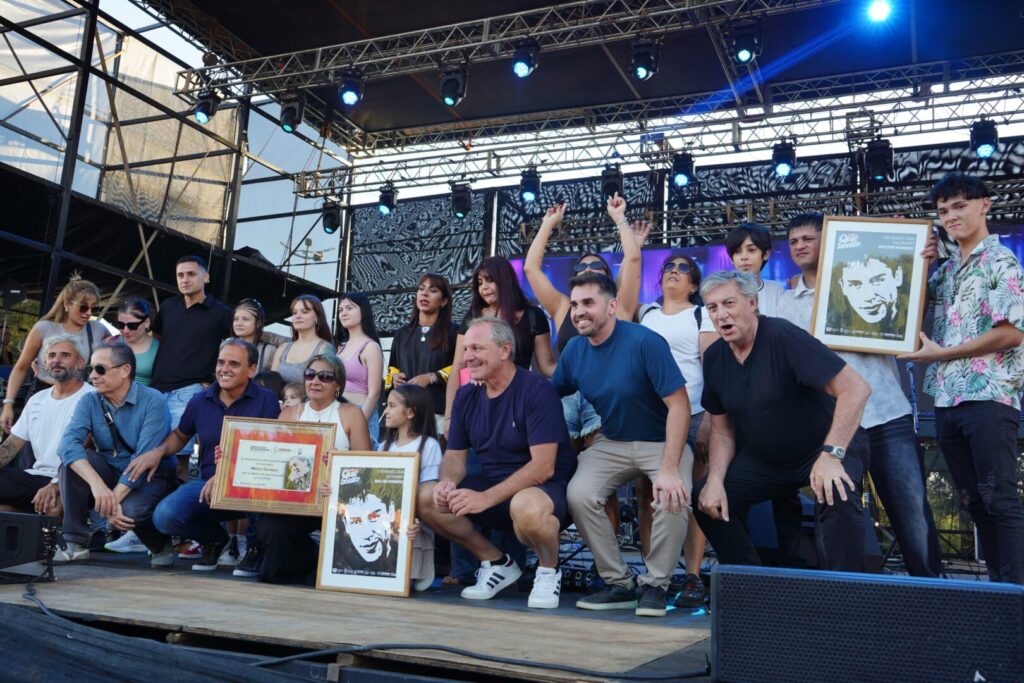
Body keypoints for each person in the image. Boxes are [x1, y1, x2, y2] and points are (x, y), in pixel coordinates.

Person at [778, 212, 942, 577]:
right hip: (832, 424)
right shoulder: (786, 302)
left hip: (887, 413)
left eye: (808, 238)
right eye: (793, 241)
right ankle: (845, 596)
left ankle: (936, 595)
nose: (800, 246)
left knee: (912, 513)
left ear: (831, 240)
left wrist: (916, 263)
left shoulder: (865, 281)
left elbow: (910, 323)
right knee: (835, 510)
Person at [694, 271, 872, 573]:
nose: (721, 314)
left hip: (823, 448)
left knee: (836, 491)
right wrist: (714, 481)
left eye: (729, 303)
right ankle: (749, 586)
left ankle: (848, 598)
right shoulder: (714, 358)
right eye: (712, 307)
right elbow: (722, 432)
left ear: (752, 303)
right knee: (707, 501)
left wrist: (831, 455)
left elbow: (856, 389)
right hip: (768, 461)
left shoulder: (782, 336)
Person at [899, 173, 1024, 584]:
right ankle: (997, 591)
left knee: (1000, 501)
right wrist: (921, 260)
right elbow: (910, 310)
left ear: (985, 204)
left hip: (989, 397)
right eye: (943, 210)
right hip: (948, 401)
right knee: (973, 503)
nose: (951, 216)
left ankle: (1014, 597)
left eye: (959, 205)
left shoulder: (1001, 261)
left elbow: (1013, 331)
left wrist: (944, 353)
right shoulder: (948, 270)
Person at [552, 272, 692, 617]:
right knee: (579, 494)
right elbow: (549, 393)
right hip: (612, 441)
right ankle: (619, 583)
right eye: (574, 304)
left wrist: (670, 468)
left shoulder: (645, 342)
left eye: (588, 303)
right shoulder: (574, 349)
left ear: (612, 306)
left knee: (672, 495)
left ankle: (657, 585)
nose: (579, 311)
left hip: (661, 440)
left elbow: (680, 405)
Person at [418, 317, 576, 609]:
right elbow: (455, 457)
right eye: (466, 349)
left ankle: (548, 570)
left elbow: (544, 468)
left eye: (477, 348)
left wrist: (485, 498)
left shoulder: (537, 390)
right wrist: (447, 482)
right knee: (428, 497)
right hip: (492, 489)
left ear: (505, 350)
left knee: (525, 506)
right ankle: (497, 562)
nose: (468, 357)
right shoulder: (466, 395)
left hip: (543, 490)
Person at [141, 339, 280, 570]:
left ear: (252, 370)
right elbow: (180, 435)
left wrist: (226, 474)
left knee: (264, 497)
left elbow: (266, 451)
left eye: (234, 364)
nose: (224, 369)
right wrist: (159, 451)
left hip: (253, 486)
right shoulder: (199, 399)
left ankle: (255, 547)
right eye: (221, 362)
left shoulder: (266, 400)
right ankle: (214, 540)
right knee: (165, 516)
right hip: (208, 486)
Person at [635, 254, 719, 606]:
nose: (674, 271)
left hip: (695, 412)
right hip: (650, 417)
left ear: (695, 285)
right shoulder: (645, 315)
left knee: (693, 497)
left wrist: (711, 421)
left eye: (684, 269)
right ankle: (653, 575)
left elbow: (714, 370)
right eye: (669, 266)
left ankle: (692, 577)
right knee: (647, 497)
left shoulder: (701, 315)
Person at [56, 341, 175, 565]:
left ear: (125, 370)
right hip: (110, 470)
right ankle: (75, 542)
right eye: (90, 369)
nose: (93, 376)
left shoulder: (153, 400)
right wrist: (97, 486)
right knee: (71, 464)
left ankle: (159, 543)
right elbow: (67, 445)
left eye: (100, 369)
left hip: (151, 476)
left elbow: (142, 462)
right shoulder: (89, 400)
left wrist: (112, 503)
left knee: (129, 511)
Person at [257, 353, 372, 584]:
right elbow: (274, 461)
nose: (316, 381)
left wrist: (339, 464)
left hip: (336, 499)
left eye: (325, 377)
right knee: (270, 525)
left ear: (338, 385)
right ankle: (310, 559)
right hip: (295, 500)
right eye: (310, 375)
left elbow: (367, 467)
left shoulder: (350, 414)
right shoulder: (289, 414)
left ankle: (313, 562)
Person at [444, 256, 557, 432]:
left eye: (490, 280)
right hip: (479, 402)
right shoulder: (473, 316)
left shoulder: (533, 316)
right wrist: (450, 417)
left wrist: (576, 373)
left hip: (519, 401)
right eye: (480, 283)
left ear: (506, 280)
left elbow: (547, 365)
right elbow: (458, 366)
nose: (484, 288)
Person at [150, 256, 234, 475]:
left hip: (190, 390)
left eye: (191, 274)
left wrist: (213, 382)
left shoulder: (221, 313)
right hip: (157, 389)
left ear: (205, 277)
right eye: (180, 275)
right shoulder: (168, 306)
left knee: (179, 462)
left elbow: (237, 343)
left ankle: (175, 507)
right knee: (150, 453)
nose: (185, 279)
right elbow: (156, 338)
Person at [1, 275, 110, 432]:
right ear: (66, 304)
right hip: (43, 393)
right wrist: (8, 404)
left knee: (66, 450)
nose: (89, 313)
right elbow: (21, 367)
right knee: (32, 449)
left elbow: (120, 351)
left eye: (94, 308)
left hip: (76, 399)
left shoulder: (97, 329)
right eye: (83, 307)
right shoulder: (44, 328)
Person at [0, 334, 93, 515]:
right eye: (51, 356)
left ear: (80, 362)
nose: (56, 360)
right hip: (34, 477)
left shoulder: (92, 398)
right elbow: (9, 447)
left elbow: (90, 451)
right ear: (45, 362)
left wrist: (56, 483)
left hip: (71, 478)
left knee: (52, 505)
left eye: (65, 355)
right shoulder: (37, 400)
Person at [380, 385, 443, 591]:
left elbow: (428, 492)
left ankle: (417, 567)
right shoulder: (384, 447)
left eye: (392, 406)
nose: (386, 412)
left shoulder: (429, 446)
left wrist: (410, 517)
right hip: (383, 519)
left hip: (413, 521)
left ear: (410, 412)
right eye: (386, 406)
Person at [386, 273, 460, 435]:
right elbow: (392, 367)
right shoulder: (401, 334)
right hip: (405, 412)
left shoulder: (455, 332)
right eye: (421, 289)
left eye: (433, 290)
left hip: (438, 411)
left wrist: (432, 377)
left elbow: (462, 367)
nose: (424, 294)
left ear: (444, 301)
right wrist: (395, 378)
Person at [336, 292, 384, 444]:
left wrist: (358, 422)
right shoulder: (340, 347)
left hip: (362, 412)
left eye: (349, 308)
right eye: (340, 310)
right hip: (338, 412)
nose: (343, 313)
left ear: (363, 311)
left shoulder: (371, 347)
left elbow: (375, 393)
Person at [270, 295, 334, 385]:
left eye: (304, 312)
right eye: (294, 313)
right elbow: (271, 384)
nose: (298, 316)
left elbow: (325, 385)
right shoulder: (282, 348)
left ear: (317, 317)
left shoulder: (325, 348)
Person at [723, 223, 785, 316]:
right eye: (737, 252)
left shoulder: (776, 290)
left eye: (751, 250)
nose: (744, 257)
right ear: (731, 258)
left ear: (766, 254)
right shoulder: (721, 292)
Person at [113, 299, 158, 388]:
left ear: (146, 323)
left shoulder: (159, 348)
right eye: (121, 325)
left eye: (132, 326)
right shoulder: (111, 342)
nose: (125, 331)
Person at [233, 298, 277, 372]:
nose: (239, 323)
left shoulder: (268, 350)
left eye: (245, 319)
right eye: (236, 319)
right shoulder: (226, 346)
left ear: (258, 323)